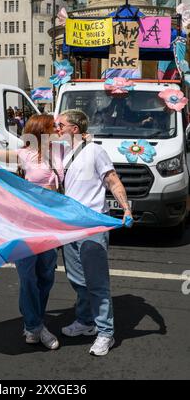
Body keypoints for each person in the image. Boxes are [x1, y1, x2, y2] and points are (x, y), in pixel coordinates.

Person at [0, 114, 63, 350]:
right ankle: (36, 326)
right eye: (52, 126)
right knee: (28, 278)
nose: (56, 129)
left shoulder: (59, 152)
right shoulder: (24, 153)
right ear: (40, 131)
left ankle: (33, 321)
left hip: (51, 226)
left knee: (46, 276)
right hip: (27, 224)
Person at [56, 109, 132, 356]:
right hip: (71, 227)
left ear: (74, 129)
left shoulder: (95, 151)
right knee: (77, 280)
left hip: (92, 226)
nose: (57, 129)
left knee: (97, 283)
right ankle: (86, 321)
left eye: (61, 125)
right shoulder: (65, 153)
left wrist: (126, 209)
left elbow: (112, 180)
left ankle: (105, 333)